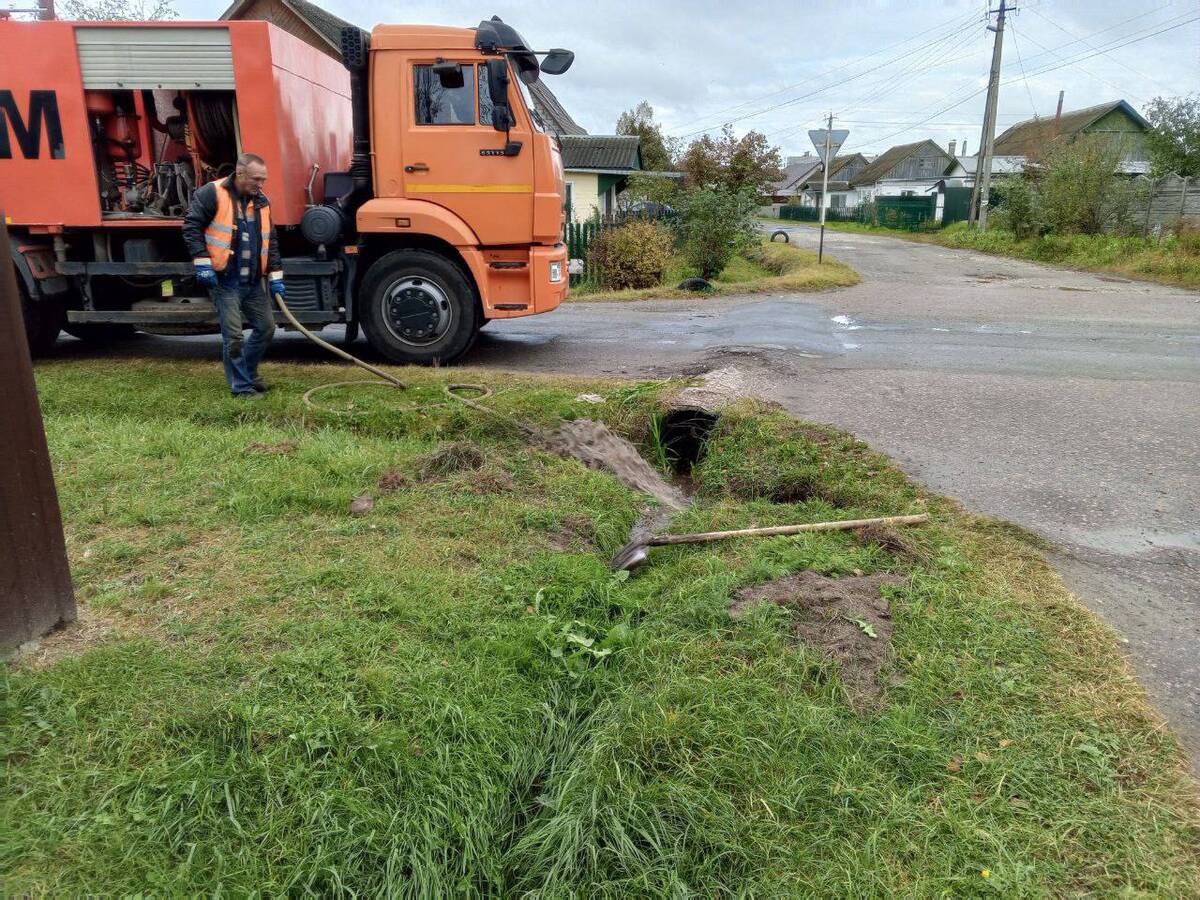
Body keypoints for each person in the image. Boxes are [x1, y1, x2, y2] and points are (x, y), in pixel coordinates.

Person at [183, 153, 285, 398]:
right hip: (225, 280)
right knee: (234, 336)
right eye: (256, 178)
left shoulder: (261, 201)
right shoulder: (212, 193)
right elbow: (191, 227)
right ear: (240, 173)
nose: (261, 184)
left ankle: (248, 373)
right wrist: (202, 261)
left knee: (266, 328)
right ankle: (241, 387)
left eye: (264, 179)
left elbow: (270, 241)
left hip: (251, 280)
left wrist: (275, 273)